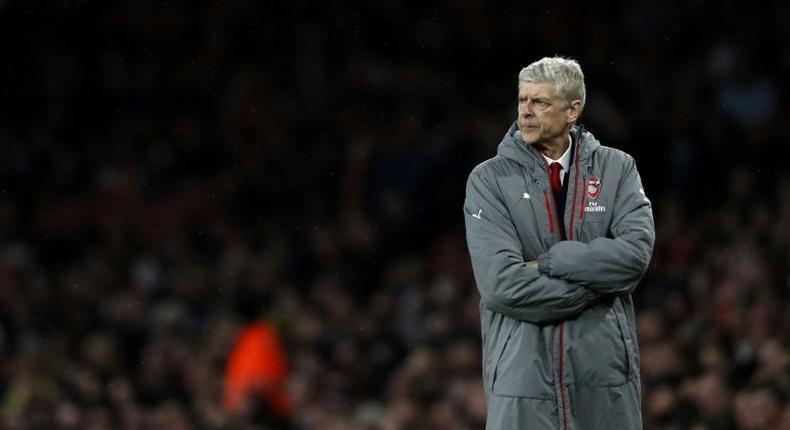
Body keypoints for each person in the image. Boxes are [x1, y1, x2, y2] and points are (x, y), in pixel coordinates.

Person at [464, 57, 655, 429]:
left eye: (540, 102)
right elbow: (501, 285)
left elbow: (633, 258)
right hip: (522, 386)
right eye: (522, 100)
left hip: (605, 383)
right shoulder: (488, 180)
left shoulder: (618, 169)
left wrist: (550, 263)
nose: (526, 112)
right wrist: (593, 289)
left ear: (573, 110)